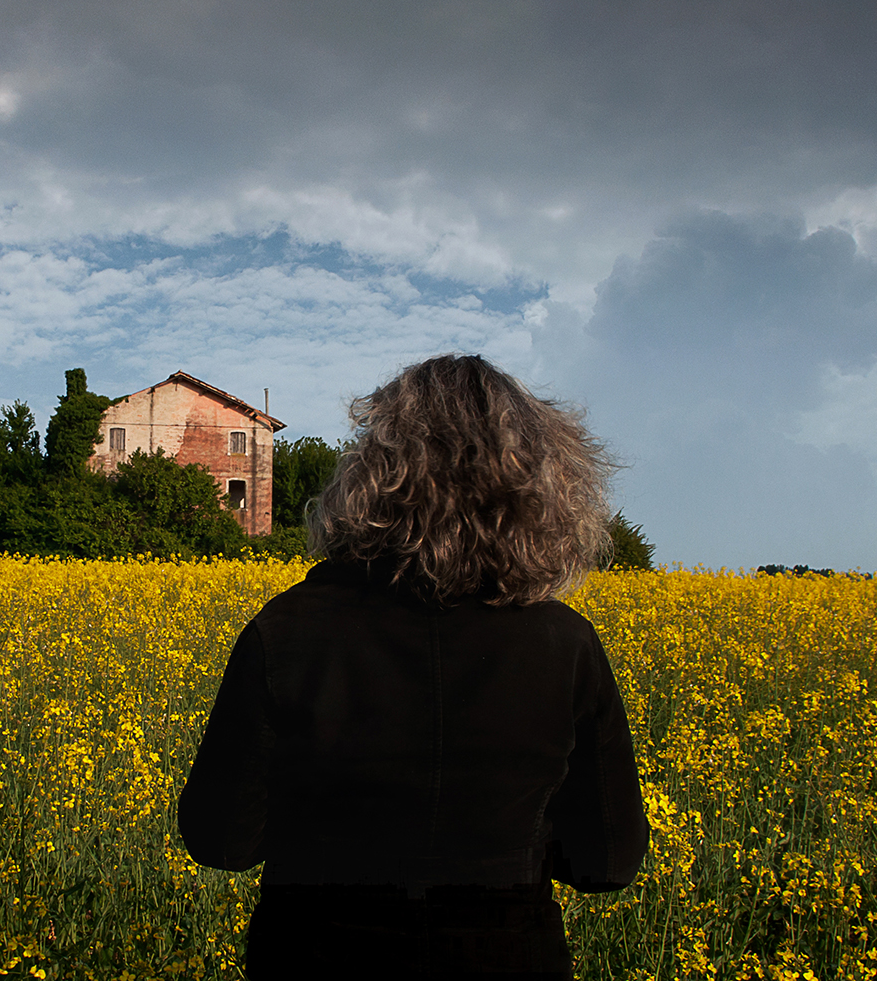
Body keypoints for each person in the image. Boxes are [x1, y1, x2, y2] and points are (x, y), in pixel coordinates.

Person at [178, 355, 649, 978]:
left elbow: (220, 841)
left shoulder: (287, 630)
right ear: (541, 487)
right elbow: (605, 864)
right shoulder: (565, 644)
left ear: (370, 475)